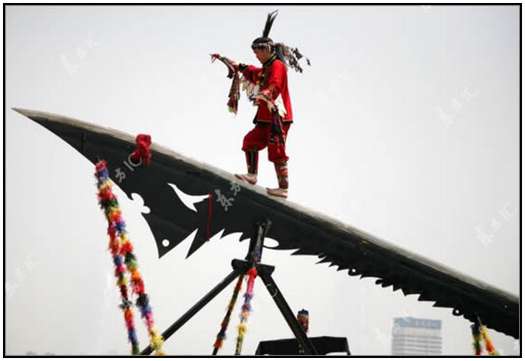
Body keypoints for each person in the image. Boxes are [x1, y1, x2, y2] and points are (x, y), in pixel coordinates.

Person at [227, 10, 309, 199]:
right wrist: (238, 65)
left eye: (257, 51)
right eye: (254, 52)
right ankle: (252, 175)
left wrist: (265, 94)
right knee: (250, 141)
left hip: (278, 117)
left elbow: (276, 85)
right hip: (265, 117)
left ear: (267, 50)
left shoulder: (278, 66)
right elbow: (255, 73)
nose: (256, 55)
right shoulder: (266, 67)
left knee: (276, 150)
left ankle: (283, 188)